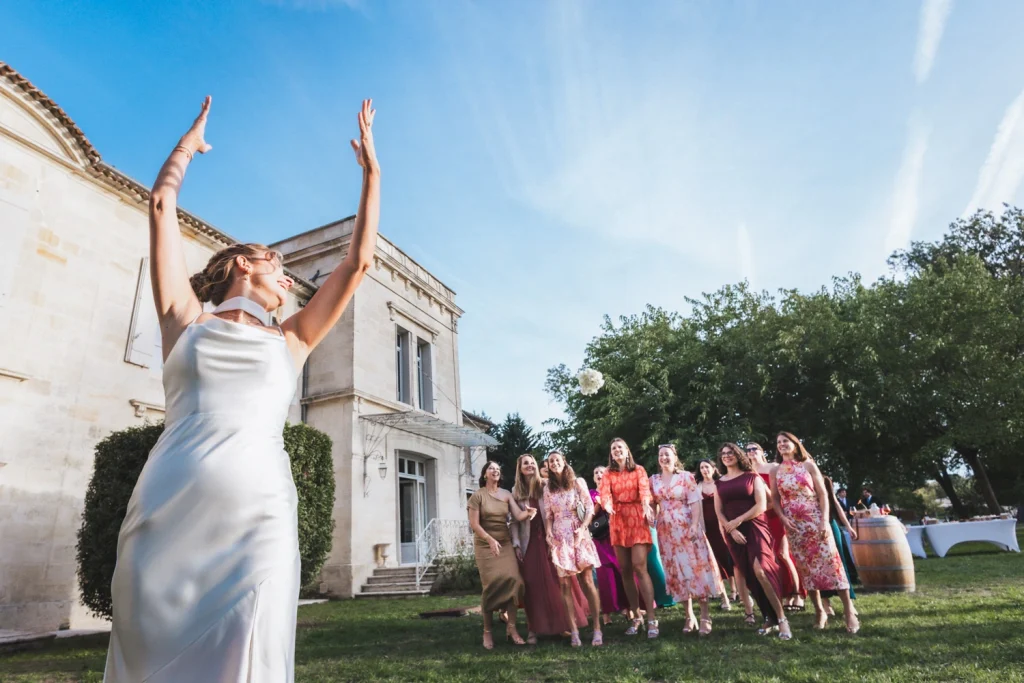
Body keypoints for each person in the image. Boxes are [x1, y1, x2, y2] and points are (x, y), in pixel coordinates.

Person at [104, 97, 380, 681]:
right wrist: (187, 148)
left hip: (260, 519)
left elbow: (357, 263)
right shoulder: (184, 318)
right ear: (240, 265)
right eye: (273, 260)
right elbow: (161, 205)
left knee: (248, 656)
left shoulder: (293, 338)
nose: (284, 271)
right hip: (167, 510)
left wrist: (371, 175)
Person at [771, 433, 859, 634]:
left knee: (832, 565)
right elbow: (775, 498)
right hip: (794, 525)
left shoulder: (808, 465)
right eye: (779, 442)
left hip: (815, 520)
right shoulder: (776, 470)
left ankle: (849, 611)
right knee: (806, 568)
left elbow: (822, 494)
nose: (782, 444)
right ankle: (820, 611)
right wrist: (782, 518)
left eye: (785, 441)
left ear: (795, 444)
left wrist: (824, 521)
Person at [714, 443, 791, 640]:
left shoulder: (752, 477)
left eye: (731, 453)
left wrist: (738, 520)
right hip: (733, 533)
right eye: (723, 454)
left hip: (756, 527)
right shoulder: (719, 482)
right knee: (750, 575)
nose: (727, 456)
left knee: (762, 570)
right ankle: (769, 618)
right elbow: (719, 511)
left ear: (738, 455)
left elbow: (762, 505)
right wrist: (731, 529)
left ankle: (782, 618)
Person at [510, 454, 588, 644]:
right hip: (529, 541)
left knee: (558, 582)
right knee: (532, 584)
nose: (530, 465)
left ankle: (563, 624)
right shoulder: (515, 491)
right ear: (519, 468)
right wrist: (516, 543)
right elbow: (513, 521)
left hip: (552, 538)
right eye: (525, 463)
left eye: (532, 463)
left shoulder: (546, 485)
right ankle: (533, 629)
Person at [650, 445, 722, 636]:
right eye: (661, 455)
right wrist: (651, 515)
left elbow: (695, 502)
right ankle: (689, 616)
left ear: (675, 457)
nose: (664, 458)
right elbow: (652, 504)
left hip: (687, 526)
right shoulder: (653, 480)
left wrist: (695, 525)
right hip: (666, 531)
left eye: (667, 455)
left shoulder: (685, 477)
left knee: (696, 568)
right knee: (676, 572)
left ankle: (705, 615)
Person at [468, 461, 538, 649]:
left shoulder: (506, 494)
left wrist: (528, 513)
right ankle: (487, 631)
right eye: (492, 468)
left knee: (515, 581)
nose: (495, 471)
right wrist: (489, 540)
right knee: (491, 586)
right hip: (485, 544)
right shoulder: (477, 496)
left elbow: (518, 515)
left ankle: (512, 628)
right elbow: (474, 524)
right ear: (485, 474)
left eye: (498, 469)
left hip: (504, 543)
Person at [598, 438, 660, 638]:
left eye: (620, 447)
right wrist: (607, 505)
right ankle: (636, 616)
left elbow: (644, 491)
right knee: (625, 569)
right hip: (618, 520)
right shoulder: (608, 473)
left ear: (627, 451)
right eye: (613, 448)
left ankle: (651, 618)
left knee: (639, 567)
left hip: (636, 517)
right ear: (611, 453)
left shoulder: (638, 470)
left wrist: (646, 506)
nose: (617, 450)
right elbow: (604, 494)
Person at [542, 450, 604, 646]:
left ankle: (597, 628)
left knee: (587, 580)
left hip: (578, 533)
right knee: (565, 585)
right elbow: (549, 515)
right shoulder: (548, 488)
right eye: (551, 461)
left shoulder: (578, 483)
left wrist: (583, 528)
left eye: (557, 460)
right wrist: (548, 532)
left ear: (564, 461)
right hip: (560, 536)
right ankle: (574, 631)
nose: (554, 463)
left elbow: (589, 508)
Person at [747, 442, 804, 611]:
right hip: (760, 519)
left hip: (776, 515)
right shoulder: (747, 472)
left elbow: (780, 493)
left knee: (784, 554)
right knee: (771, 558)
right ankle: (784, 594)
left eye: (754, 449)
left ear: (762, 451)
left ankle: (798, 594)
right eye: (748, 450)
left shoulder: (773, 467)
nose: (751, 452)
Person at [696, 459, 741, 612]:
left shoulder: (721, 483)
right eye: (702, 467)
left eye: (707, 467)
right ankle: (724, 595)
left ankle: (735, 590)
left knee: (729, 557)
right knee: (715, 560)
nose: (704, 470)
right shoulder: (697, 486)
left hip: (722, 525)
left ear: (713, 468)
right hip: (707, 527)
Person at [590, 466, 629, 625]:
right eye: (596, 473)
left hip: (616, 535)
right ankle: (606, 614)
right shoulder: (591, 494)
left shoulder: (614, 491)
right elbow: (588, 516)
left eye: (602, 472)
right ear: (593, 478)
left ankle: (627, 608)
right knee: (604, 575)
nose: (599, 475)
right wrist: (598, 504)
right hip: (600, 539)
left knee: (621, 571)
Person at [820, 475, 859, 617]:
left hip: (831, 525)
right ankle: (825, 603)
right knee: (819, 566)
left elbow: (836, 505)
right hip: (812, 528)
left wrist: (848, 526)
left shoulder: (824, 480)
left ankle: (849, 603)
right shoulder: (801, 484)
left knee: (840, 563)